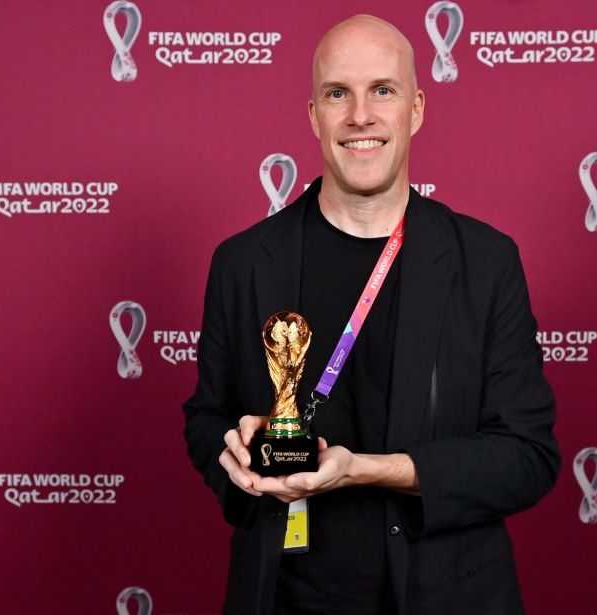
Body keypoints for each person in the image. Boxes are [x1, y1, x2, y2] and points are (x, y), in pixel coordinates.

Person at [183, 14, 560, 615]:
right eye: (339, 94)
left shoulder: (486, 262)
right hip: (284, 596)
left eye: (382, 90)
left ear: (415, 109)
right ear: (314, 115)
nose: (361, 115)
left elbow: (527, 457)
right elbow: (206, 419)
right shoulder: (244, 262)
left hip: (448, 596)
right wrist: (238, 451)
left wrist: (365, 470)